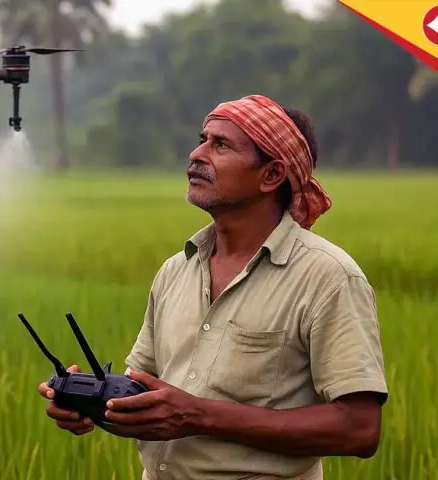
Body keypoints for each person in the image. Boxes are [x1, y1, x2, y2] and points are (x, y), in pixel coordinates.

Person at [37, 94, 388, 479]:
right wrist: (88, 401)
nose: (196, 154)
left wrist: (197, 414)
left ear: (271, 175)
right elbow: (146, 398)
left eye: (220, 145)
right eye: (203, 139)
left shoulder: (327, 277)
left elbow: (359, 428)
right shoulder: (176, 270)